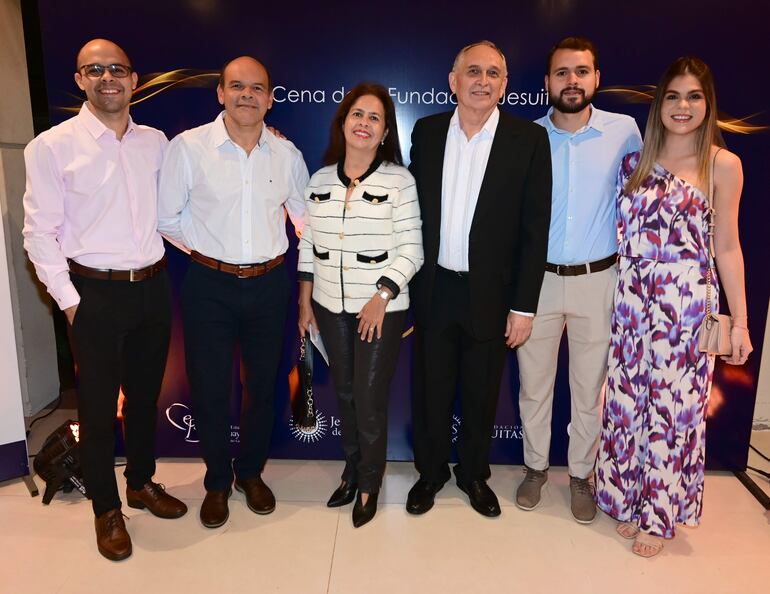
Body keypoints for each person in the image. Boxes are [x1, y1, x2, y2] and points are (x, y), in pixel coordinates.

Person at [22, 39, 187, 561]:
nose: (107, 77)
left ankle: (140, 482)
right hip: (91, 293)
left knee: (143, 399)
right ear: (80, 80)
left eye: (117, 69)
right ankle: (105, 509)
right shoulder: (52, 146)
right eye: (95, 69)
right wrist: (71, 302)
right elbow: (37, 234)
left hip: (153, 287)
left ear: (135, 79)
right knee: (95, 411)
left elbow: (178, 209)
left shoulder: (157, 142)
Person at [595, 56, 753, 557]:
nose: (682, 107)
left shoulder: (722, 165)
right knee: (627, 405)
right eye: (673, 96)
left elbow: (727, 246)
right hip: (632, 301)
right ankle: (630, 499)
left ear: (708, 105)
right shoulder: (634, 163)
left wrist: (741, 326)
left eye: (694, 97)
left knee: (673, 412)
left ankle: (660, 516)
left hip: (685, 305)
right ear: (659, 104)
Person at [157, 56, 308, 528]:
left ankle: (250, 473)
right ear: (220, 93)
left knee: (262, 386)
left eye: (257, 88)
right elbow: (166, 218)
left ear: (269, 98)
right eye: (237, 86)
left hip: (269, 285)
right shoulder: (188, 148)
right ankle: (217, 481)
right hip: (209, 286)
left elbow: (306, 220)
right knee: (209, 388)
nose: (247, 95)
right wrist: (208, 252)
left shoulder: (287, 156)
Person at [407, 41, 552, 517]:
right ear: (454, 80)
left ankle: (472, 475)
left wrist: (524, 306)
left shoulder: (528, 140)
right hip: (434, 288)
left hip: (492, 295)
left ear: (505, 86)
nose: (483, 81)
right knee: (430, 390)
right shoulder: (427, 134)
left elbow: (535, 230)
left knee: (481, 391)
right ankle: (429, 474)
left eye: (493, 73)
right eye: (473, 71)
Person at [515, 37, 642, 523]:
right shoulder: (527, 137)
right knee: (534, 385)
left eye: (581, 71)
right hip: (538, 283)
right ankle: (534, 468)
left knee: (590, 387)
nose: (572, 81)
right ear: (547, 83)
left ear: (596, 78)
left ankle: (582, 475)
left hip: (599, 279)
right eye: (562, 72)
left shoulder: (624, 131)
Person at [297, 83, 423, 527]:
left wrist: (382, 295)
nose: (364, 123)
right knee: (346, 393)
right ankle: (352, 470)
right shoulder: (319, 179)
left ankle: (370, 483)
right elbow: (309, 244)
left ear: (385, 130)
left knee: (369, 398)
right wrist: (305, 301)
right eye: (357, 114)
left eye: (374, 117)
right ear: (343, 122)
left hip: (381, 311)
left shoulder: (399, 180)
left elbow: (413, 248)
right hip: (329, 305)